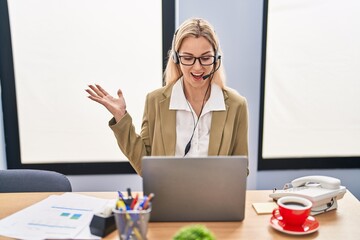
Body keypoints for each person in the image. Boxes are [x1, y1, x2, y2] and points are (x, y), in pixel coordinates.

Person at [86, 18, 249, 176]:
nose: (197, 67)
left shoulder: (237, 105)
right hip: (168, 200)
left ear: (216, 59)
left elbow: (241, 170)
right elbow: (145, 166)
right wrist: (121, 117)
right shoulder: (156, 101)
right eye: (188, 58)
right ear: (177, 59)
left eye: (206, 58)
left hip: (216, 200)